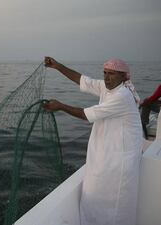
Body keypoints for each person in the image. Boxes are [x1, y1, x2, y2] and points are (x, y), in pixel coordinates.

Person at [43, 57, 143, 225]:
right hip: (107, 154)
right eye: (104, 73)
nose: (106, 77)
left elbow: (86, 115)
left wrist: (60, 106)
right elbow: (82, 80)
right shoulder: (109, 87)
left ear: (124, 77)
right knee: (97, 197)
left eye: (111, 74)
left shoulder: (122, 95)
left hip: (119, 160)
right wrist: (58, 66)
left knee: (115, 202)